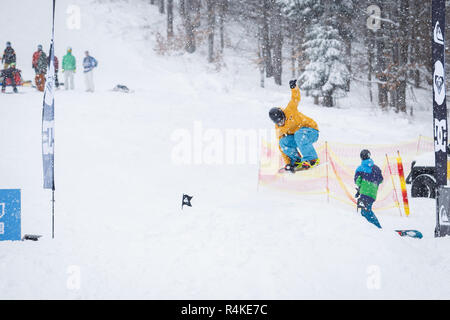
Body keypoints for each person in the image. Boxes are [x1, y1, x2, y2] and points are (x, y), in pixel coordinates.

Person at [269, 79, 320, 172]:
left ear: (283, 115)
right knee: (283, 142)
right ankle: (295, 161)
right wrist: (287, 162)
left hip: (311, 131)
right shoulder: (279, 128)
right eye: (279, 123)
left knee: (298, 134)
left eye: (282, 120)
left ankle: (312, 159)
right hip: (299, 137)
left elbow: (295, 98)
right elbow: (282, 147)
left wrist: (294, 88)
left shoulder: (289, 110)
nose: (282, 123)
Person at [354, 150, 384, 229]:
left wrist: (362, 185)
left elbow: (357, 181)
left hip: (364, 192)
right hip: (373, 194)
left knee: (365, 212)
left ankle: (378, 228)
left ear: (361, 157)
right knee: (365, 210)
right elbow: (381, 180)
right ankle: (370, 228)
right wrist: (372, 183)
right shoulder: (376, 168)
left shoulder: (360, 168)